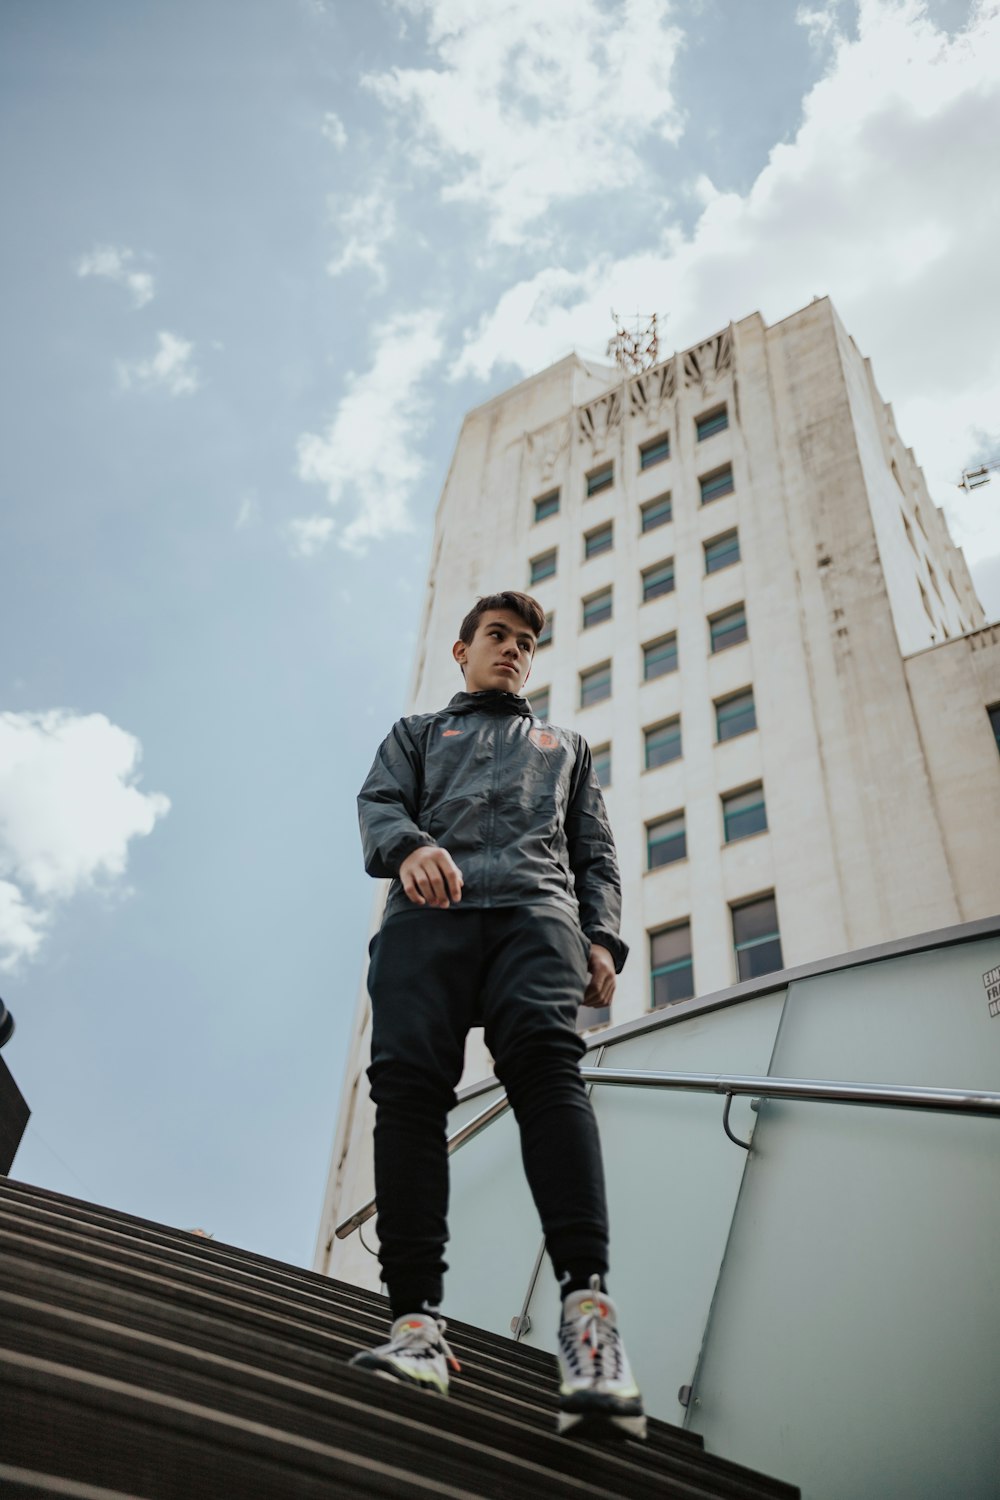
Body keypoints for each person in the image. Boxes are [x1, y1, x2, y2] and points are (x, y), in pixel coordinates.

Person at [349, 590, 645, 1440]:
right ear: (462, 649)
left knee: (550, 1072)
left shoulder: (565, 747)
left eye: (524, 643)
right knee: (406, 1092)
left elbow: (597, 854)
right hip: (426, 921)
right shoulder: (414, 736)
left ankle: (590, 1324)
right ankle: (415, 1326)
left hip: (533, 916)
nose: (512, 650)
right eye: (497, 637)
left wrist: (603, 941)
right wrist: (411, 847)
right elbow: (378, 808)